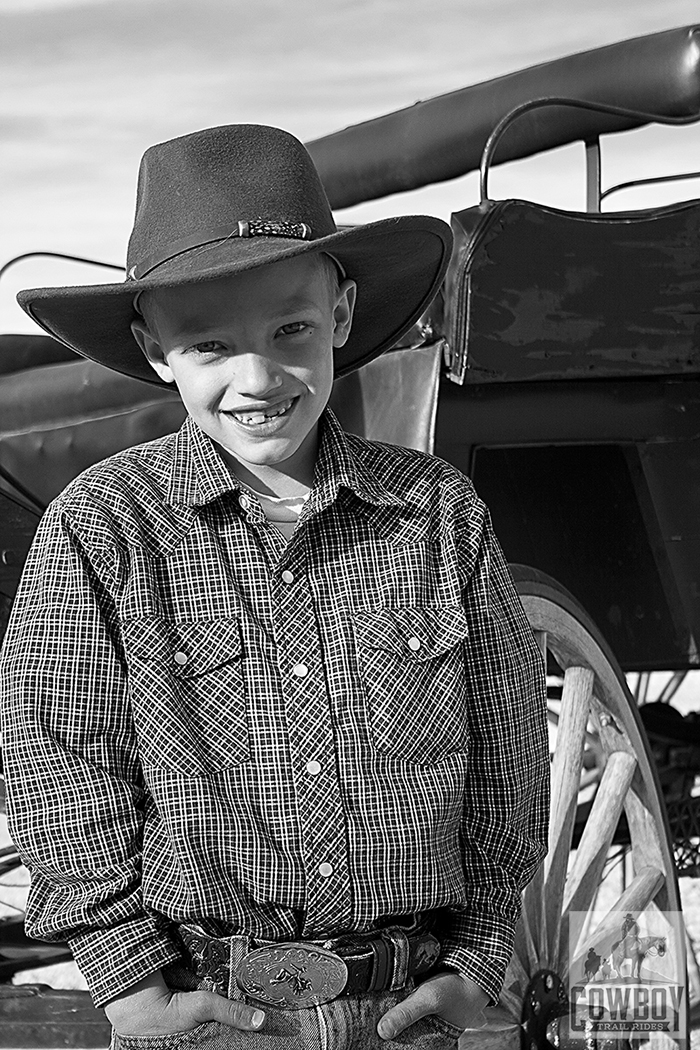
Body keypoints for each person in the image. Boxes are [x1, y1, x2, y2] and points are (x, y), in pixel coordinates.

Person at [0, 124, 549, 1049]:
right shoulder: (104, 527)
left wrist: (481, 956)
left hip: (408, 1008)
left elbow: (507, 758)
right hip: (205, 1012)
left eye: (289, 330)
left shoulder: (436, 515)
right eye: (209, 346)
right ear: (156, 351)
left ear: (339, 315)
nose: (257, 378)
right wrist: (132, 982)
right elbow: (60, 756)